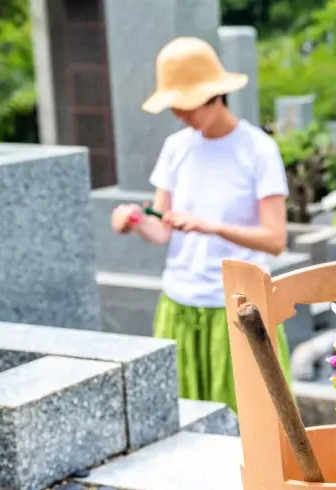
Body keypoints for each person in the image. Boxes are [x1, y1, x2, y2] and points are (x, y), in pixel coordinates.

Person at [110, 37, 292, 411]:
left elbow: (275, 239)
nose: (181, 115)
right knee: (180, 419)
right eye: (175, 107)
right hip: (180, 301)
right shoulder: (177, 147)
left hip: (241, 308)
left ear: (215, 96)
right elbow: (162, 228)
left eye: (187, 105)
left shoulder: (257, 149)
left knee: (251, 420)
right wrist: (135, 221)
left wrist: (211, 226)